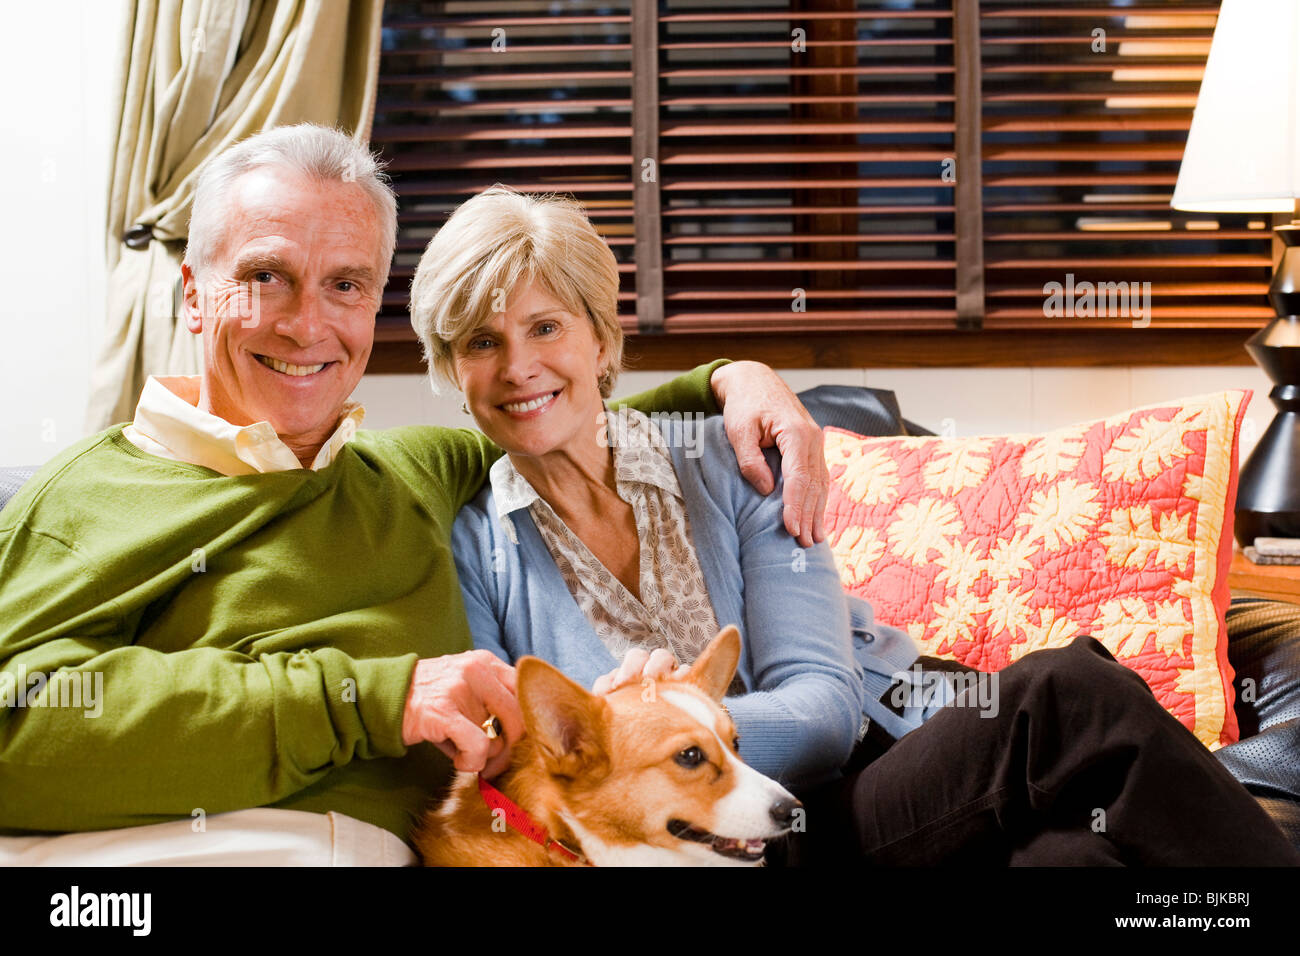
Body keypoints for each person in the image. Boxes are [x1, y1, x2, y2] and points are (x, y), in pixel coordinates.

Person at [0, 125, 828, 866]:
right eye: (266, 277)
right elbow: (14, 727)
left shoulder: (406, 474)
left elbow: (552, 412)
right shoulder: (94, 492)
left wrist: (731, 377)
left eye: (346, 286)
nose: (305, 324)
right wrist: (369, 699)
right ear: (192, 294)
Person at [412, 185, 1300, 865]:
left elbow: (825, 713)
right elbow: (521, 755)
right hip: (754, 835)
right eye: (481, 343)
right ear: (454, 369)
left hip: (890, 747)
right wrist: (649, 754)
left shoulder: (732, 457)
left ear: (602, 341)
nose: (518, 366)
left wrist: (652, 737)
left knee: (1079, 854)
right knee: (1070, 696)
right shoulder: (473, 546)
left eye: (544, 327)